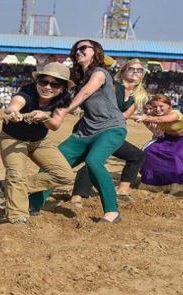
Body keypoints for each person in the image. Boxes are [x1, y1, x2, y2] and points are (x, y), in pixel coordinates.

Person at [28, 40, 127, 223]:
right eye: (76, 49)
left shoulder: (100, 72)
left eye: (83, 48)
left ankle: (112, 211)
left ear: (96, 52)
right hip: (84, 131)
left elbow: (85, 94)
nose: (78, 51)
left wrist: (64, 111)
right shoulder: (78, 77)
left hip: (111, 128)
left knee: (93, 161)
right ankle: (33, 205)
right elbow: (61, 95)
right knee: (53, 163)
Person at [0, 62, 74, 224]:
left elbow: (55, 125)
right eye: (43, 82)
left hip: (40, 141)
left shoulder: (64, 99)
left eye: (55, 84)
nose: (47, 87)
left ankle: (10, 186)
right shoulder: (27, 91)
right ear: (37, 82)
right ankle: (17, 216)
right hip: (13, 138)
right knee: (16, 174)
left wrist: (46, 117)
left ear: (62, 88)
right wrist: (14, 112)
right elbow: (14, 104)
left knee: (65, 175)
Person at [70, 58, 148, 207]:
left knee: (136, 155)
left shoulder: (139, 96)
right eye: (131, 68)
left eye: (139, 70)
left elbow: (124, 115)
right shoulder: (111, 86)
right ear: (123, 71)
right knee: (94, 159)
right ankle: (77, 196)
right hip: (91, 129)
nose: (135, 72)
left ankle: (123, 191)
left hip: (111, 133)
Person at [134, 95, 183, 192]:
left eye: (161, 106)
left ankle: (180, 184)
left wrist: (146, 118)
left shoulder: (175, 113)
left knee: (177, 156)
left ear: (169, 106)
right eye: (155, 107)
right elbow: (156, 130)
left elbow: (160, 120)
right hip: (169, 138)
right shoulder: (152, 115)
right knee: (149, 151)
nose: (158, 109)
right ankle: (152, 182)